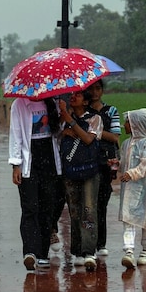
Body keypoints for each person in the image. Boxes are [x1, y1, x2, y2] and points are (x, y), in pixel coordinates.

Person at [9, 97, 61, 271]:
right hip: (28, 161)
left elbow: (59, 133)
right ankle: (30, 252)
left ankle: (43, 253)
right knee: (30, 207)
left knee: (47, 207)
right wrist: (16, 164)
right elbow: (15, 134)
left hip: (50, 161)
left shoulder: (53, 102)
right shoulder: (19, 104)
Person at [58, 90, 103, 271]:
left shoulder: (95, 119)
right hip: (70, 171)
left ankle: (89, 250)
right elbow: (56, 138)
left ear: (85, 101)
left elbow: (87, 139)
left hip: (90, 171)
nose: (73, 97)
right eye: (72, 95)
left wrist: (70, 120)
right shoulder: (62, 120)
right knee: (74, 211)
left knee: (89, 209)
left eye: (78, 95)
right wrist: (63, 130)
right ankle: (76, 250)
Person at [118, 108, 146, 269]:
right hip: (130, 188)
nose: (125, 126)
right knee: (128, 217)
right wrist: (116, 165)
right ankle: (128, 250)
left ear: (137, 124)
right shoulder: (126, 144)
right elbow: (123, 161)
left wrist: (132, 173)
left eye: (128, 122)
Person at [88, 79, 121, 258]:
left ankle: (101, 243)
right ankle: (89, 243)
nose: (94, 92)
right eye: (91, 89)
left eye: (98, 88)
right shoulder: (83, 111)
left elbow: (115, 137)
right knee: (88, 204)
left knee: (101, 203)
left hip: (106, 162)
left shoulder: (111, 111)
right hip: (87, 161)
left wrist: (95, 132)